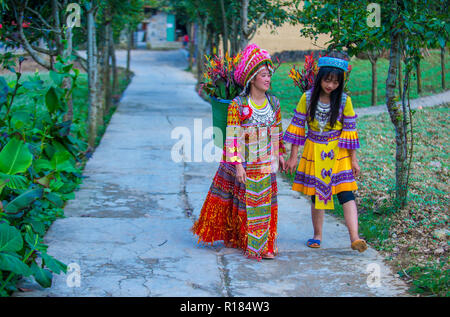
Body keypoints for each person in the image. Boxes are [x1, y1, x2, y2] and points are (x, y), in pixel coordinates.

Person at [191, 44, 286, 260]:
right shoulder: (238, 105)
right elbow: (232, 138)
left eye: (269, 75)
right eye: (263, 75)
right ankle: (251, 244)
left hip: (265, 163)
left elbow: (277, 131)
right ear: (252, 78)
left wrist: (279, 154)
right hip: (247, 161)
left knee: (266, 203)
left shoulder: (274, 103)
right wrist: (238, 165)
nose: (268, 79)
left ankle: (268, 242)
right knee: (247, 204)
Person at [283, 52, 368, 252]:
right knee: (317, 195)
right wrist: (293, 156)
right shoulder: (307, 98)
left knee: (346, 193)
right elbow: (297, 126)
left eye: (335, 82)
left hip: (338, 153)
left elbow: (349, 132)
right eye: (327, 80)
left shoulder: (345, 101)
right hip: (314, 150)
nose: (330, 85)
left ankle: (355, 237)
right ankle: (317, 235)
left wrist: (353, 160)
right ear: (320, 77)